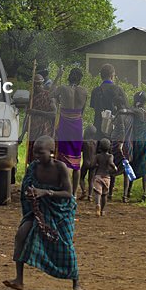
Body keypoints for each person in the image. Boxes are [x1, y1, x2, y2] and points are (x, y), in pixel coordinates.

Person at [3, 135, 81, 290]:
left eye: (41, 153)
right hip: (38, 210)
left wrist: (46, 192)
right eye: (35, 153)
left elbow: (68, 193)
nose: (37, 156)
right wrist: (30, 193)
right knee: (21, 235)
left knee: (65, 244)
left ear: (52, 152)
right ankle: (19, 280)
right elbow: (27, 186)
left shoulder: (61, 168)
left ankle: (76, 281)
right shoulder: (33, 167)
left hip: (58, 211)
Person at [54, 67, 88, 195]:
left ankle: (63, 190)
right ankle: (73, 194)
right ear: (80, 79)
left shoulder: (63, 88)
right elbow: (82, 111)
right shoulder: (84, 91)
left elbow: (51, 94)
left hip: (65, 123)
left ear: (69, 76)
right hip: (77, 125)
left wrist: (58, 75)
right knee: (76, 162)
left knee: (62, 158)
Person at [20, 74, 56, 166]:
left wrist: (36, 112)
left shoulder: (48, 95)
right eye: (35, 84)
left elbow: (53, 114)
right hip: (33, 129)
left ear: (43, 84)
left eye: (39, 84)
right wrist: (22, 134)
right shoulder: (31, 97)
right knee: (33, 155)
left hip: (45, 129)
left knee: (44, 152)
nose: (37, 86)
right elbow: (27, 117)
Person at [90, 64, 126, 136]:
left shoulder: (95, 91)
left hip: (98, 129)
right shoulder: (119, 90)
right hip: (115, 130)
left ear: (101, 76)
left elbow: (94, 107)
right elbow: (125, 108)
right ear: (112, 75)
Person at [92, 138, 117, 216]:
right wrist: (115, 167)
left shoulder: (97, 156)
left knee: (97, 193)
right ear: (109, 147)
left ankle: (98, 205)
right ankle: (102, 210)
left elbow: (93, 165)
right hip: (106, 177)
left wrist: (95, 166)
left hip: (98, 176)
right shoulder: (110, 156)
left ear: (100, 147)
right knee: (104, 194)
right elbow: (110, 163)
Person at [79, 125, 98, 200]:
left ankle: (83, 190)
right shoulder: (96, 142)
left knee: (81, 178)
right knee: (91, 180)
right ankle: (90, 196)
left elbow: (80, 150)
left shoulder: (84, 142)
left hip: (86, 163)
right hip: (94, 163)